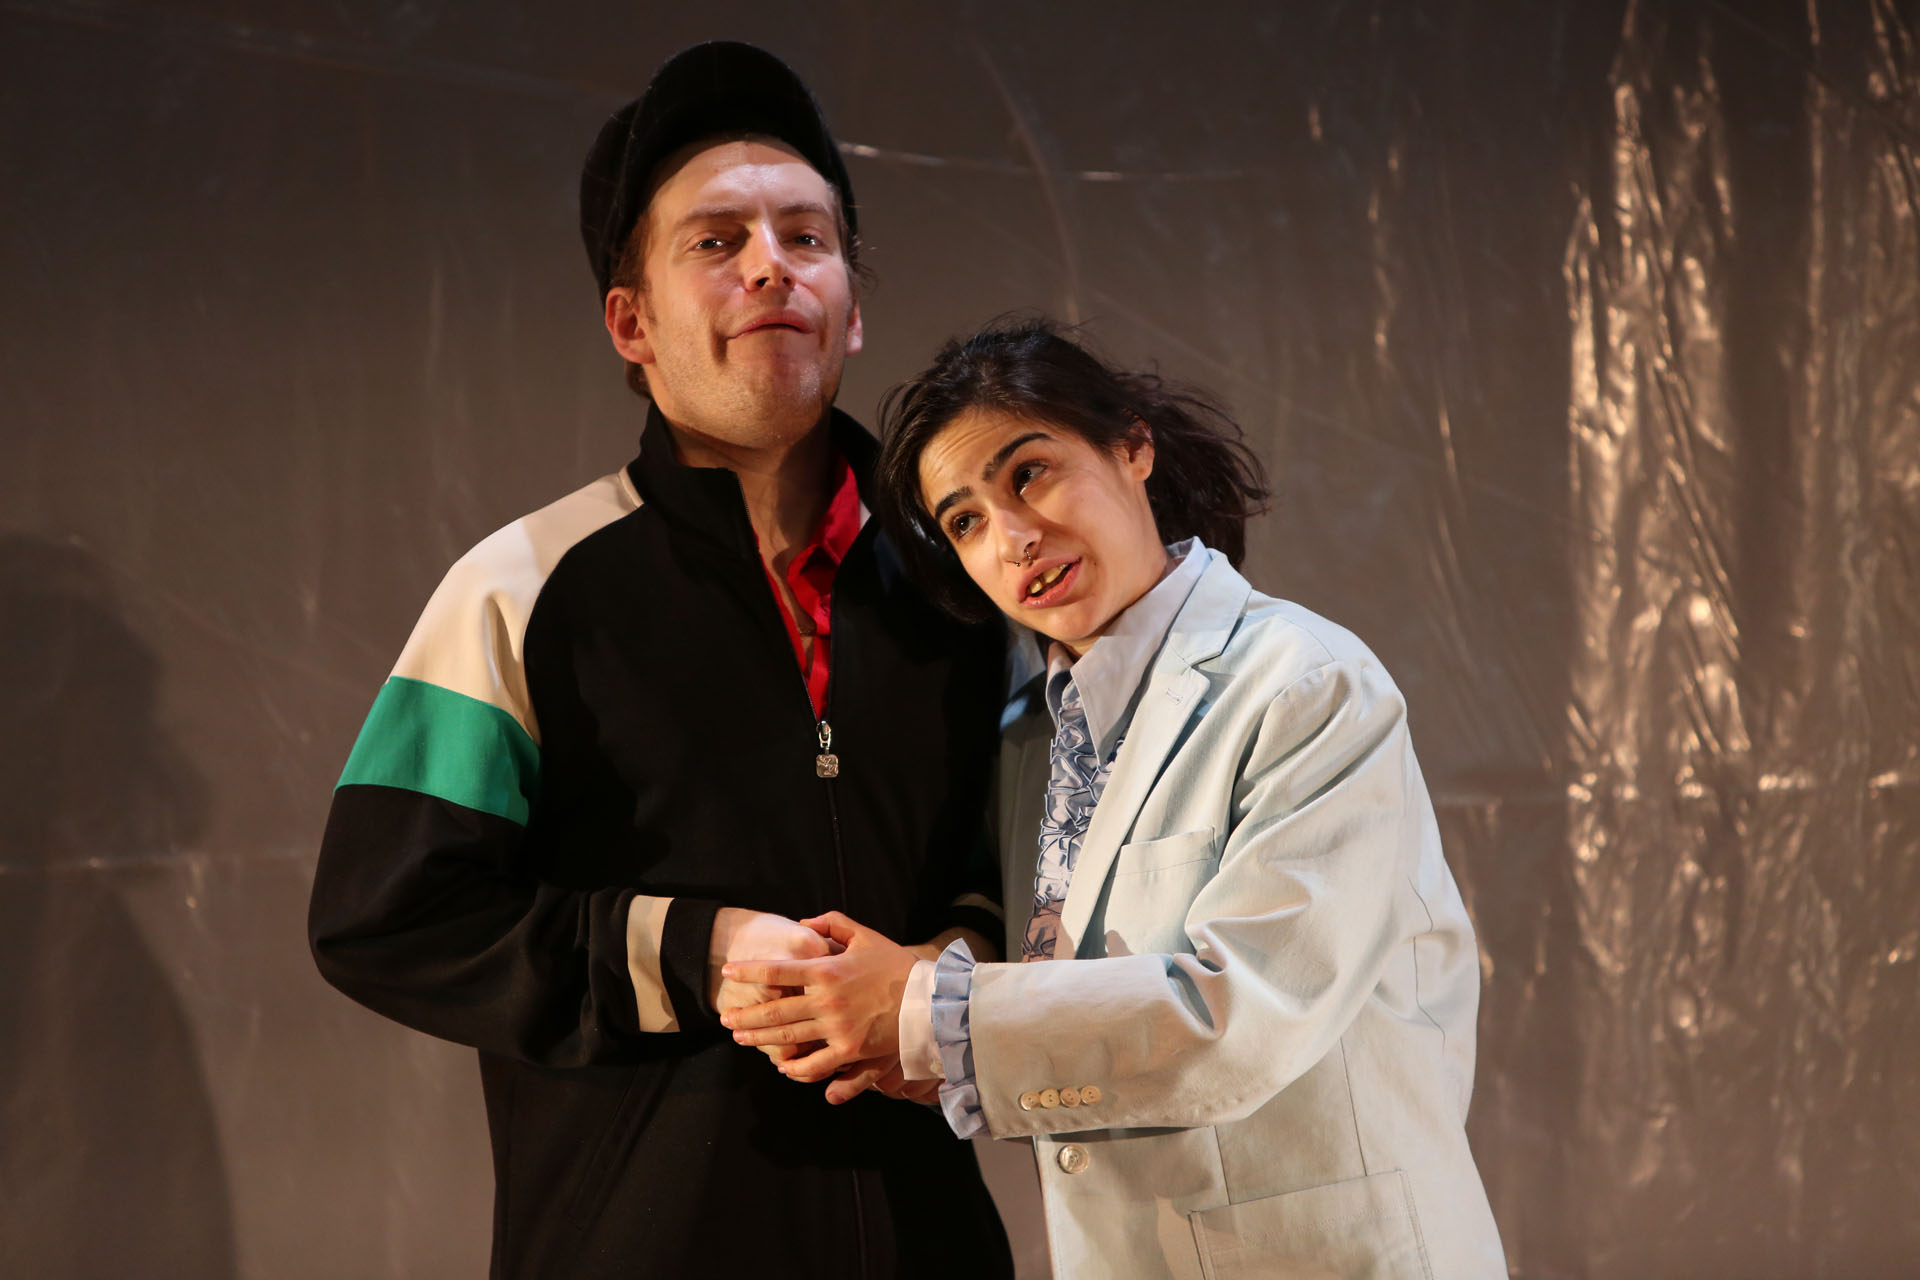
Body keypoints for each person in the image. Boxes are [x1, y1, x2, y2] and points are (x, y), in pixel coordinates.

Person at [308, 43, 1014, 1279]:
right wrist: (694, 948)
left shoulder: (966, 580)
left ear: (853, 307)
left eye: (806, 236)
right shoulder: (522, 588)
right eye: (716, 240)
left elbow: (1024, 870)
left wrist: (941, 975)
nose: (770, 265)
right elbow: (386, 913)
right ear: (630, 323)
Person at [721, 318, 1509, 1278]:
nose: (1013, 538)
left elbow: (1242, 1011)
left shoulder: (1307, 684)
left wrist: (927, 1011)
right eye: (965, 522)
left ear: (1133, 446)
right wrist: (907, 993)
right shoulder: (1032, 732)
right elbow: (1062, 974)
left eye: (1030, 475)